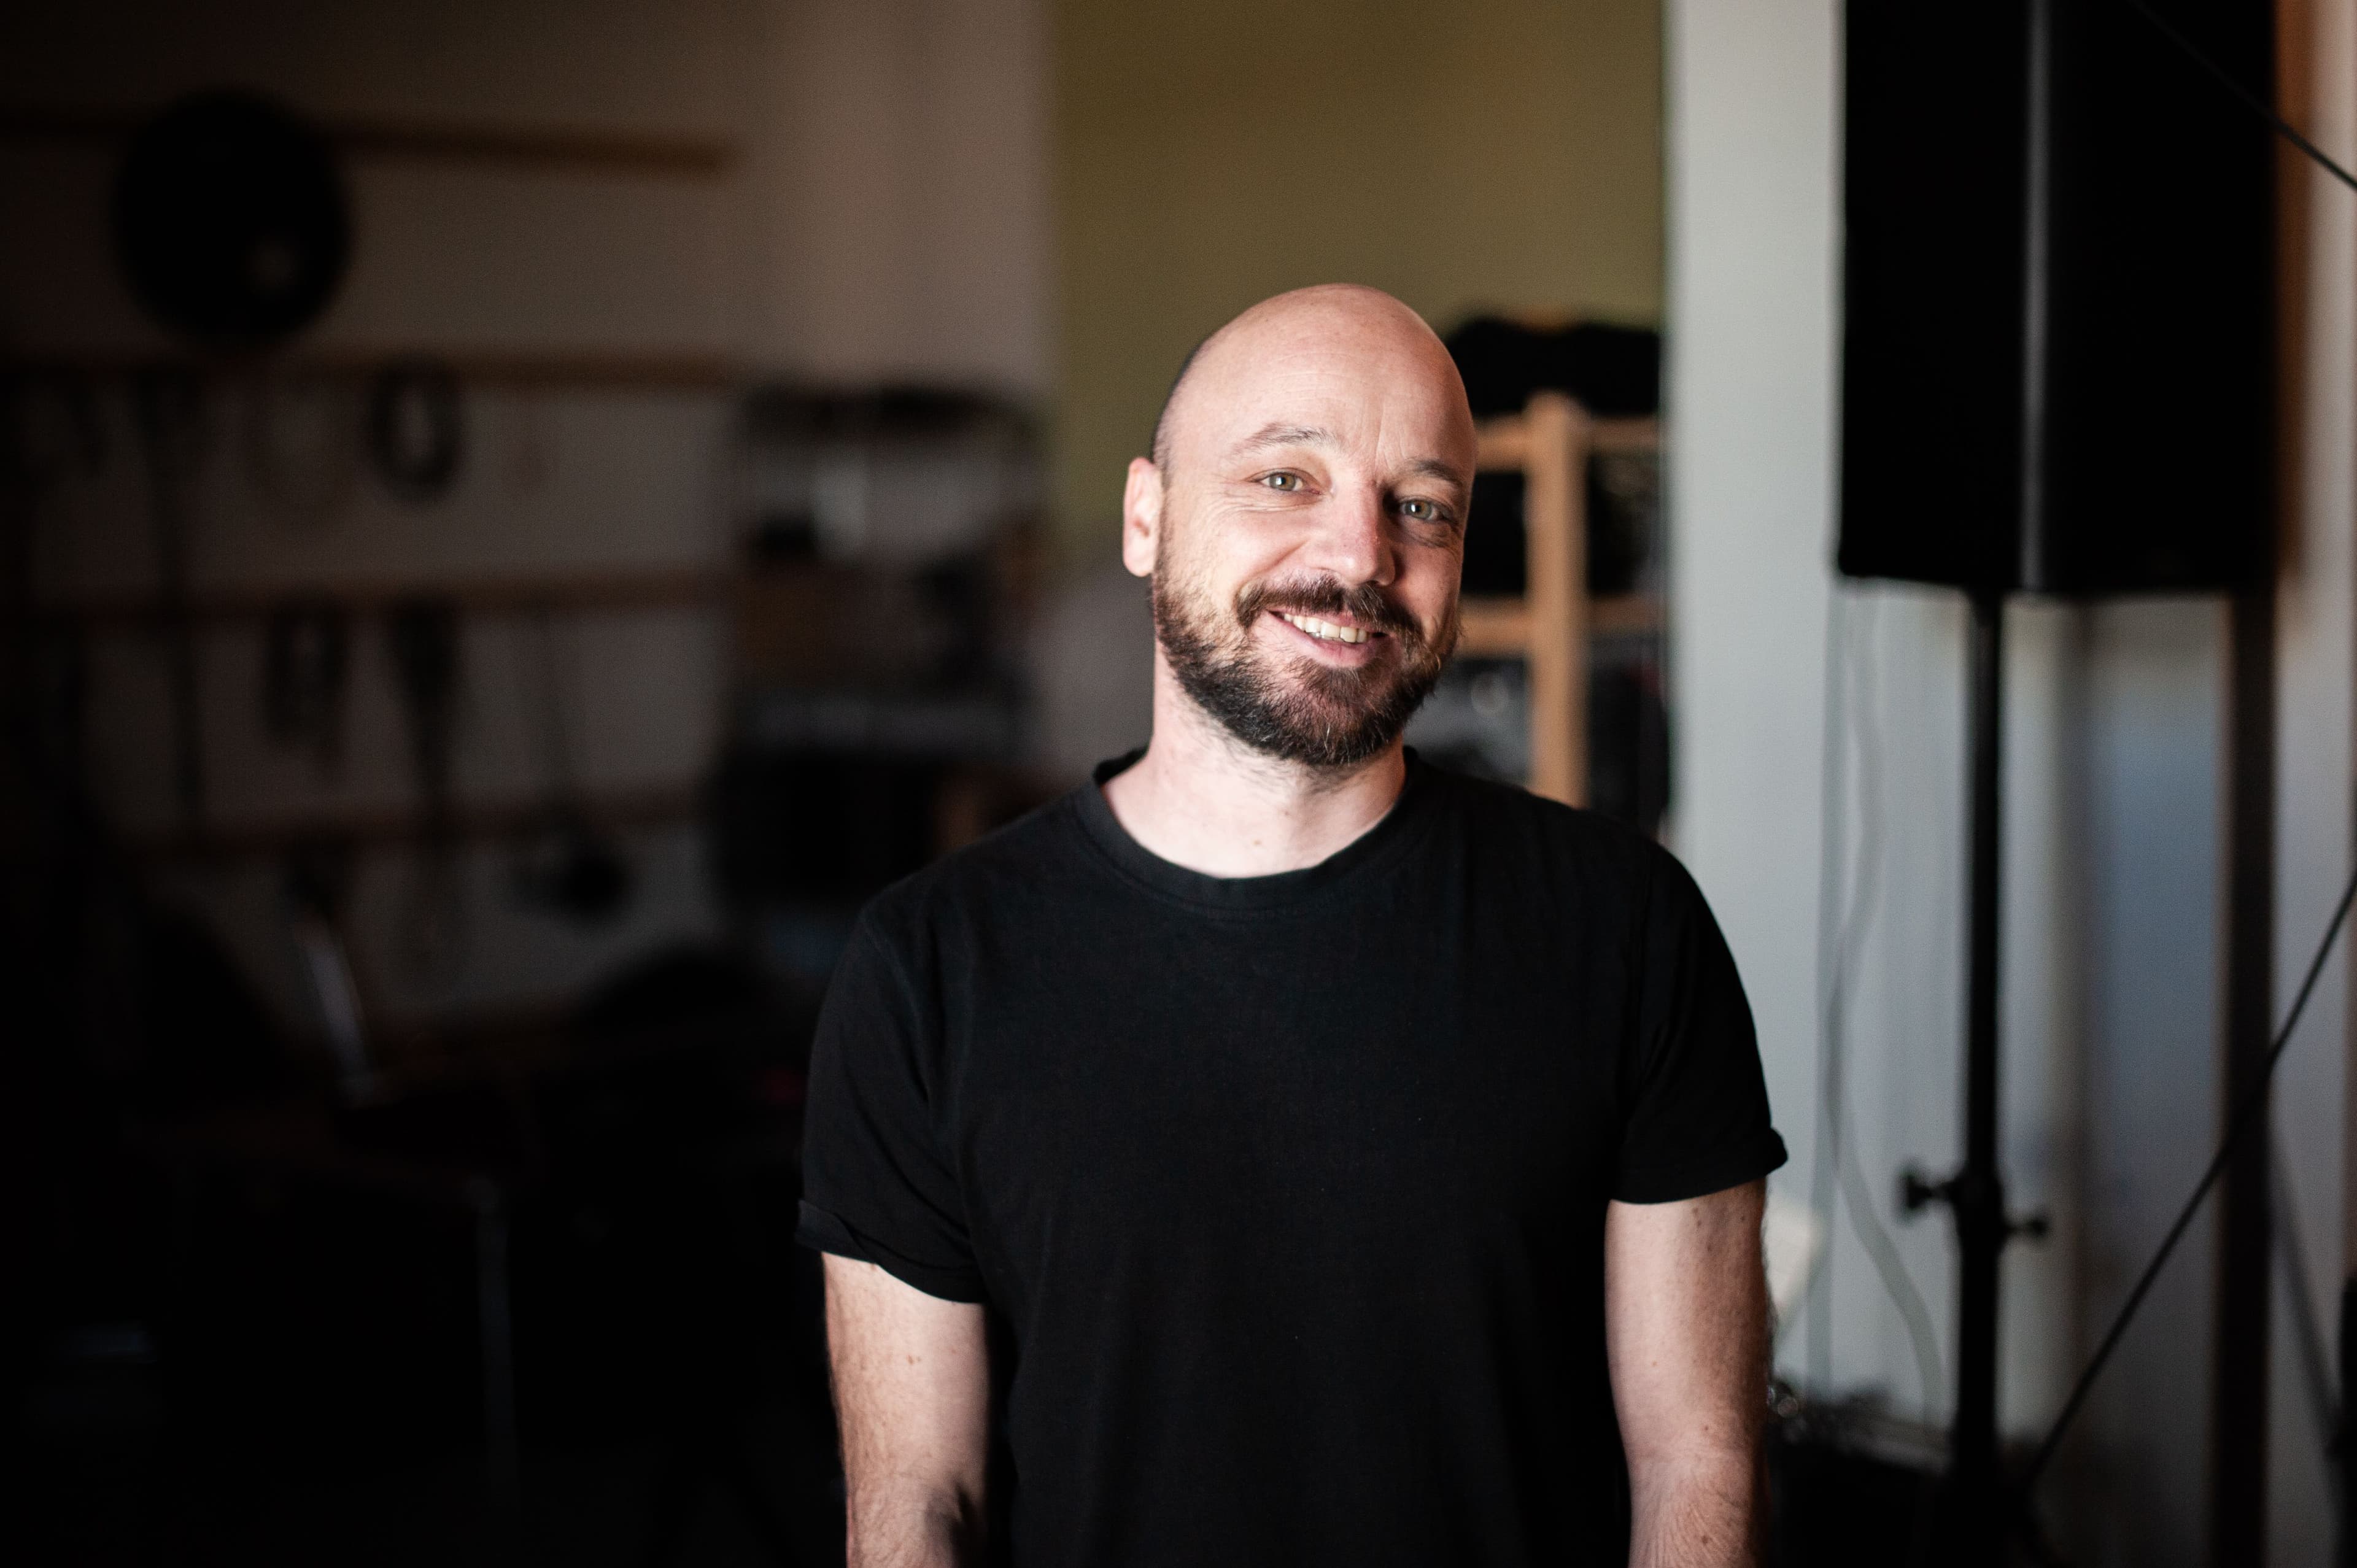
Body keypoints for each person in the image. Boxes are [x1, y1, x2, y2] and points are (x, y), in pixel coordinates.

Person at [797, 284, 1786, 1567]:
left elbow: (1698, 1458)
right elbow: (922, 1502)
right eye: (1284, 479)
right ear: (1147, 519)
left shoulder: (1626, 930)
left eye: (1421, 506)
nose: (1360, 555)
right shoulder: (929, 972)